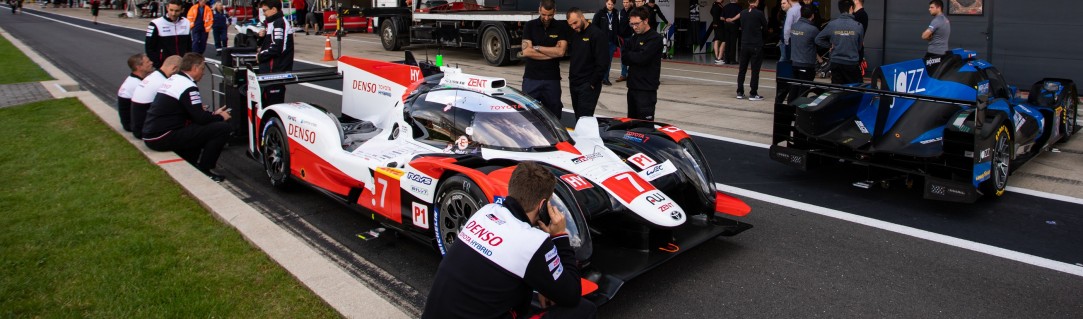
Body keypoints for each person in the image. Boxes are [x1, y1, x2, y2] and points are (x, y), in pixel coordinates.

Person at [421, 161, 596, 319]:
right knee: (583, 310)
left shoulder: (484, 213)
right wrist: (560, 237)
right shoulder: (533, 242)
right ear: (543, 206)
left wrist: (544, 282)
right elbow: (571, 295)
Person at [142, 53, 233, 181]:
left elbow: (194, 113)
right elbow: (200, 118)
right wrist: (220, 117)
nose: (203, 73)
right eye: (202, 69)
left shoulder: (174, 80)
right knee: (222, 128)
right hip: (162, 136)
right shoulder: (188, 86)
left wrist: (212, 115)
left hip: (154, 132)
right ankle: (205, 169)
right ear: (195, 68)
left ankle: (191, 162)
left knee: (199, 129)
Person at [520, 0, 568, 120]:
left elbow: (561, 52)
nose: (546, 18)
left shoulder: (561, 27)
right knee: (527, 114)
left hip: (552, 79)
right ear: (539, 10)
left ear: (555, 12)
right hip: (531, 78)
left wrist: (537, 48)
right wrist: (552, 53)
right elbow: (526, 51)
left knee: (554, 112)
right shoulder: (529, 26)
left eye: (550, 15)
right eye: (543, 14)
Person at [622, 6, 663, 121]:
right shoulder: (634, 37)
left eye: (637, 23)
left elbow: (642, 58)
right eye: (632, 24)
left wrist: (632, 55)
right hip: (632, 87)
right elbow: (624, 58)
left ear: (645, 21)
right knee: (631, 124)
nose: (634, 27)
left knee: (644, 127)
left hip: (646, 89)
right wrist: (633, 55)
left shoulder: (655, 38)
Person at [567, 7, 608, 119]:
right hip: (574, 83)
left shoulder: (596, 34)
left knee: (584, 120)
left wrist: (592, 83)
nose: (574, 27)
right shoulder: (575, 34)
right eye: (571, 25)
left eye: (575, 22)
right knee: (578, 118)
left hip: (587, 85)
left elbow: (603, 62)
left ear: (582, 17)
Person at [131, 55, 181, 139]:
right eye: (179, 72)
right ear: (174, 68)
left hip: (138, 126)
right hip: (146, 131)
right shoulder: (164, 83)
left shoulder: (154, 76)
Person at [257, 0, 295, 105]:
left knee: (273, 104)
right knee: (266, 102)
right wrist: (262, 38)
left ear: (274, 9)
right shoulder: (272, 22)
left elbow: (277, 48)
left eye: (265, 10)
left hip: (275, 72)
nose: (264, 13)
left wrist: (261, 56)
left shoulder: (279, 22)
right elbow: (270, 44)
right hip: (271, 71)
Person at [816, 0, 863, 85]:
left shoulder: (832, 24)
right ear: (851, 8)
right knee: (854, 90)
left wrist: (830, 45)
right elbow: (859, 47)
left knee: (837, 91)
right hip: (851, 63)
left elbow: (818, 39)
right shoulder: (858, 26)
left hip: (836, 62)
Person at [145, 0, 192, 69]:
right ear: (167, 8)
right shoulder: (155, 23)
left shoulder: (186, 22)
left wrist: (188, 62)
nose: (173, 13)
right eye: (171, 10)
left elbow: (189, 46)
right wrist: (158, 65)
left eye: (177, 11)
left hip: (182, 65)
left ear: (182, 10)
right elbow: (149, 47)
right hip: (163, 66)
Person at [787, 5, 819, 102]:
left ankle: (790, 106)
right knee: (804, 90)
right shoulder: (813, 29)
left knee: (794, 87)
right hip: (807, 63)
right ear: (812, 16)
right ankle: (799, 110)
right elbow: (819, 42)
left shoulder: (794, 26)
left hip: (795, 62)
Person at [735, 0, 766, 101]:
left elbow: (742, 26)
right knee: (755, 70)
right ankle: (753, 93)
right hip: (756, 44)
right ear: (757, 2)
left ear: (748, 2)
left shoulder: (743, 13)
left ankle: (740, 91)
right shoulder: (759, 13)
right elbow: (765, 26)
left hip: (744, 43)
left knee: (742, 69)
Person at [118, 54, 155, 133]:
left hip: (130, 122)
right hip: (132, 125)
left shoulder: (132, 80)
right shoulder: (138, 84)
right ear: (139, 67)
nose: (151, 63)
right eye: (148, 62)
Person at [593, 0, 620, 86]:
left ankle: (605, 78)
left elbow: (617, 26)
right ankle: (598, 78)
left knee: (608, 61)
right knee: (600, 60)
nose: (610, 6)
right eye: (609, 4)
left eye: (612, 4)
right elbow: (594, 25)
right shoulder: (600, 13)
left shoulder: (616, 13)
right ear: (606, 4)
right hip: (602, 42)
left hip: (612, 42)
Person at [615, 0, 634, 82]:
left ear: (630, 2)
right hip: (622, 38)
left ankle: (631, 75)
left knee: (632, 56)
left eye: (627, 2)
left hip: (631, 38)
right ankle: (623, 75)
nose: (625, 4)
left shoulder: (633, 11)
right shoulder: (620, 12)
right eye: (624, 2)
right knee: (623, 56)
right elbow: (618, 24)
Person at [720, 0, 741, 65]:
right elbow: (740, 15)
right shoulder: (738, 7)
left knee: (727, 42)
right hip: (734, 25)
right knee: (733, 42)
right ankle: (732, 60)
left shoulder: (725, 6)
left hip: (726, 25)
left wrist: (726, 19)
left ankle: (726, 60)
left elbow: (721, 17)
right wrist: (732, 19)